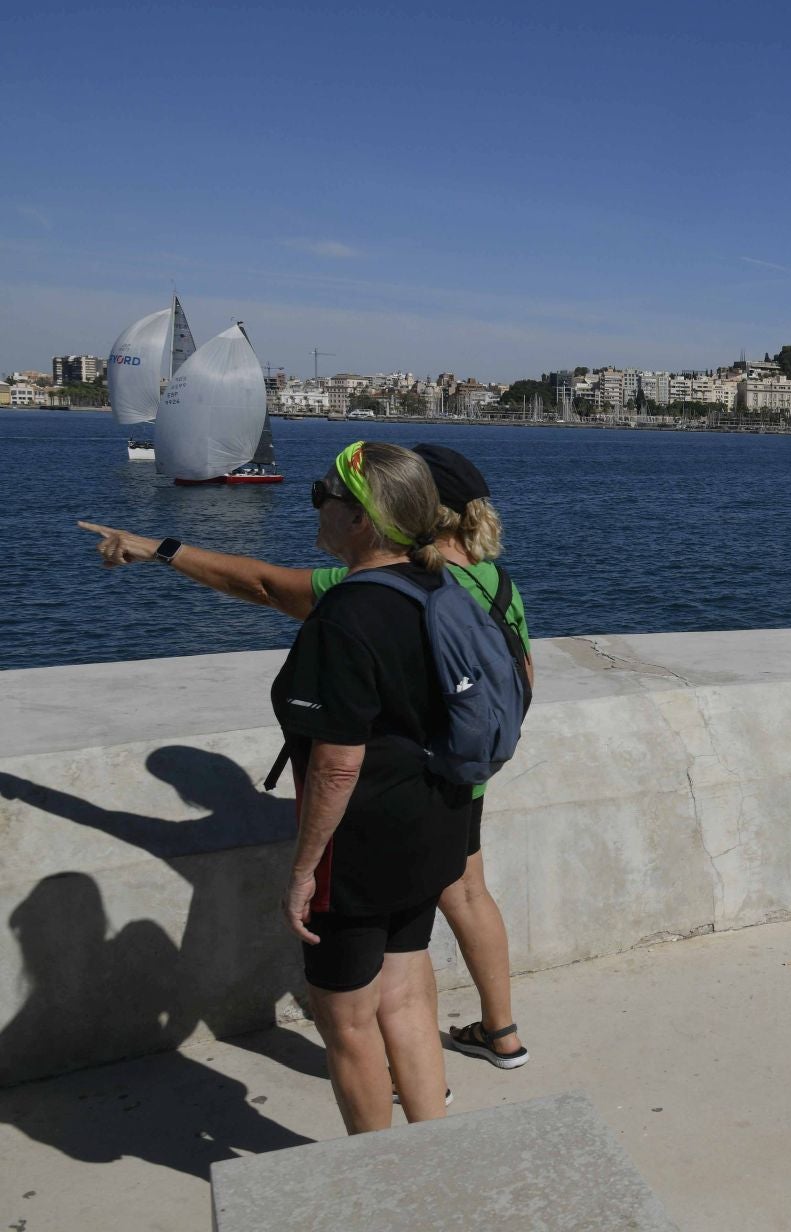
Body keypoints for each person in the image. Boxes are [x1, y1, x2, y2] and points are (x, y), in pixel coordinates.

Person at [78, 444, 532, 1072]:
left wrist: (162, 548)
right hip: (465, 777)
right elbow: (521, 678)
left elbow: (264, 585)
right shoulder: (497, 583)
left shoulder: (369, 587)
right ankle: (500, 1032)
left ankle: (399, 1078)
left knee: (392, 961)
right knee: (466, 898)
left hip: (394, 795)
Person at [277, 441, 468, 1131]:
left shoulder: (346, 614)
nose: (318, 508)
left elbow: (335, 764)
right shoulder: (443, 587)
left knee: (348, 1021)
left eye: (324, 495)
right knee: (408, 994)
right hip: (432, 824)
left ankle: (381, 1182)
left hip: (358, 846)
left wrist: (303, 870)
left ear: (361, 518)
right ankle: (431, 1154)